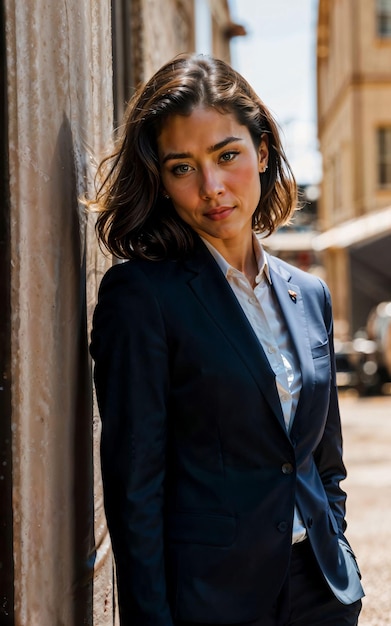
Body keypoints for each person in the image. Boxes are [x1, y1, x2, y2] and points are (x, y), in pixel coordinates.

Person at [90, 53, 364, 626]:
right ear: (161, 183)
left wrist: (336, 546)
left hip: (319, 594)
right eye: (182, 167)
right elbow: (133, 485)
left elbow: (322, 460)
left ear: (262, 152)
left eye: (227, 155)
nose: (212, 187)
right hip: (211, 603)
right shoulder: (141, 296)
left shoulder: (308, 293)